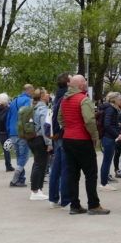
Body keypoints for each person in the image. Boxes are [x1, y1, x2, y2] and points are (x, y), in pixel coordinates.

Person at [58, 75, 109, 215]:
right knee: (91, 173)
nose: (86, 83)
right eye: (84, 81)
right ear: (80, 85)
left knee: (72, 174)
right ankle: (93, 205)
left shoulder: (65, 99)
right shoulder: (83, 99)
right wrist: (95, 136)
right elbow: (89, 120)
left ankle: (74, 205)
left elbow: (59, 118)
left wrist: (68, 127)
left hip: (68, 139)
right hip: (82, 140)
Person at [48, 73, 71, 209]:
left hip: (56, 135)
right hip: (63, 134)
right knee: (65, 167)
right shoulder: (65, 97)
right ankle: (66, 200)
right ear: (68, 83)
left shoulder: (57, 96)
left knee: (56, 167)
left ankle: (53, 198)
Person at [7, 84, 34, 187]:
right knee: (25, 156)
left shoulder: (14, 101)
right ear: (29, 91)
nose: (33, 93)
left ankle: (20, 179)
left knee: (19, 156)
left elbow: (8, 117)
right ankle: (14, 179)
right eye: (32, 91)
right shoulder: (28, 101)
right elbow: (29, 116)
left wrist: (9, 131)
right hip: (22, 132)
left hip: (13, 132)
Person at [28, 88, 53, 200]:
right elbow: (45, 127)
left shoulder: (34, 107)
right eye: (47, 93)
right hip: (40, 139)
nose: (48, 94)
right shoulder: (43, 108)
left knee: (38, 164)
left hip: (33, 139)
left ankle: (37, 190)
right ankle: (35, 191)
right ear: (42, 96)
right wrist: (49, 142)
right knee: (40, 165)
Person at [99, 91, 121, 191]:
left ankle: (104, 182)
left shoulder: (111, 108)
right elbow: (107, 124)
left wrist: (116, 125)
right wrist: (117, 134)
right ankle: (104, 184)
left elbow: (110, 123)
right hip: (108, 138)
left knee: (106, 161)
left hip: (108, 137)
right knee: (107, 161)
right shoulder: (111, 109)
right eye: (120, 99)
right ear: (115, 100)